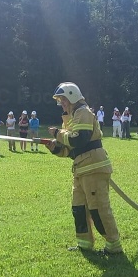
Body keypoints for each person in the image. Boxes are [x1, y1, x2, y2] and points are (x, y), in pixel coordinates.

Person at [45, 82, 122, 255]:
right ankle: (84, 244)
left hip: (93, 167)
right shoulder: (72, 118)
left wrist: (58, 134)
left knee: (98, 208)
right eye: (60, 101)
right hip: (80, 168)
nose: (62, 103)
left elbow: (79, 139)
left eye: (63, 99)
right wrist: (54, 148)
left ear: (73, 96)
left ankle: (113, 245)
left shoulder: (83, 113)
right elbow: (69, 150)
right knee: (78, 208)